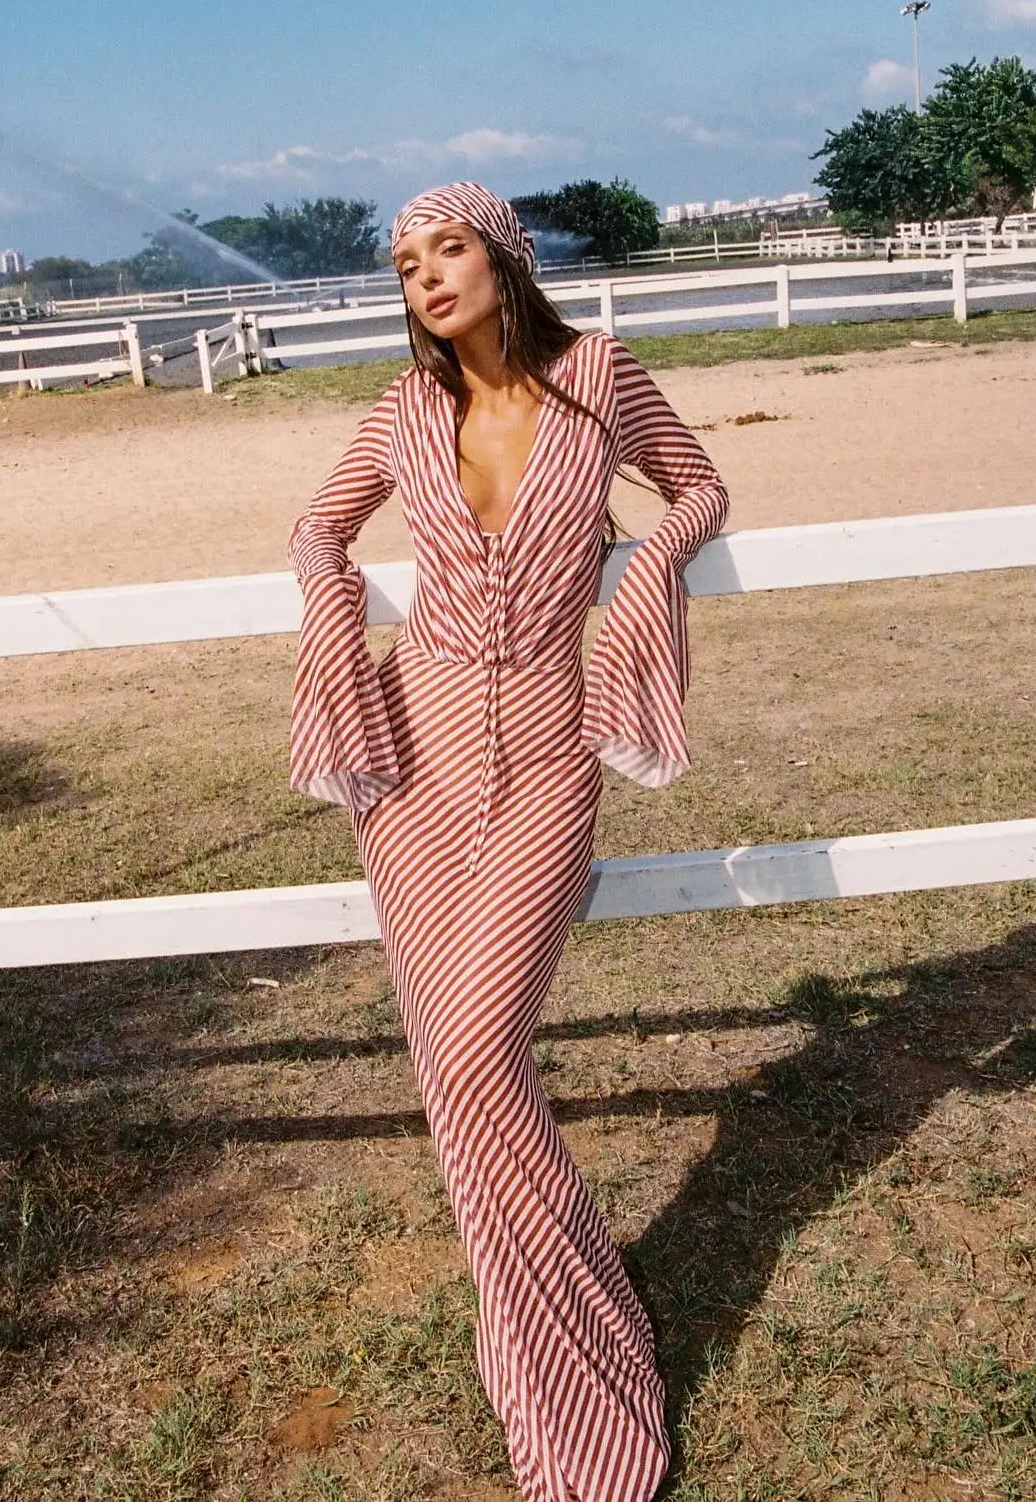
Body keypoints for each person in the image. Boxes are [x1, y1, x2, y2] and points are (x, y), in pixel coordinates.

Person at [286, 181, 730, 1500]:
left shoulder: (598, 373)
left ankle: (589, 1348)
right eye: (407, 262)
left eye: (449, 248)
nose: (426, 276)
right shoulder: (403, 412)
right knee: (453, 1071)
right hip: (414, 779)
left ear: (507, 257)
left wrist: (646, 565)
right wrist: (331, 598)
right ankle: (542, 1356)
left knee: (479, 1051)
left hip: (545, 762)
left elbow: (699, 487)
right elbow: (316, 525)